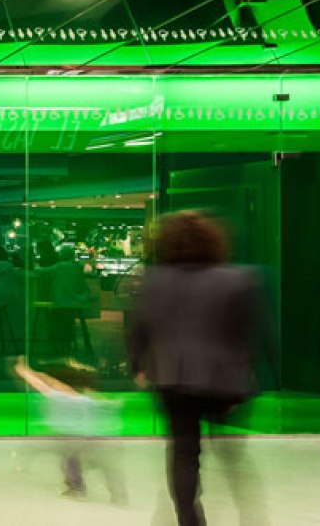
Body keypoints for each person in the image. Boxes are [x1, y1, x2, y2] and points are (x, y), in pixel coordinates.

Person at [127, 211, 267, 526]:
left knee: (184, 454)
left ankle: (189, 518)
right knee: (232, 456)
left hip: (173, 378)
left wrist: (138, 366)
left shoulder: (154, 281)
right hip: (223, 380)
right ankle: (251, 517)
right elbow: (248, 333)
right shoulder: (237, 279)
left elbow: (139, 329)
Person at [13, 357, 124, 502]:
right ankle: (118, 495)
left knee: (70, 461)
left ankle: (77, 489)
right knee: (103, 464)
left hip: (71, 438)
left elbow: (43, 384)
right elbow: (104, 404)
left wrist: (23, 371)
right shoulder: (87, 399)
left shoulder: (58, 396)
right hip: (92, 438)